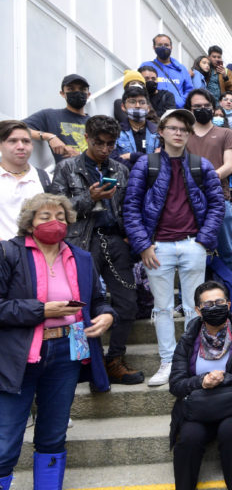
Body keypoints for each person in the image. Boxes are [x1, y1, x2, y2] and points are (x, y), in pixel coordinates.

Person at [0, 193, 114, 490]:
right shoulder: (8, 253)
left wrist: (106, 315)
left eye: (61, 217)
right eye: (46, 217)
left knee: (53, 435)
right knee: (4, 442)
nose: (55, 222)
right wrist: (41, 311)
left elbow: (98, 300)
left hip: (68, 352)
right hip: (18, 356)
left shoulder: (81, 258)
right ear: (30, 223)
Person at [123, 109, 225, 387]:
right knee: (163, 308)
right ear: (161, 131)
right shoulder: (146, 165)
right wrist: (144, 244)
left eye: (184, 129)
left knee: (195, 307)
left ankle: (191, 361)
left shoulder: (201, 165)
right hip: (158, 248)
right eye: (173, 128)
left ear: (189, 134)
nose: (179, 133)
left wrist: (203, 241)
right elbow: (130, 207)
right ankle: (168, 362)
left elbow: (217, 205)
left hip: (193, 244)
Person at [50, 114, 144, 385]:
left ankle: (114, 360)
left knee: (127, 302)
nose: (105, 149)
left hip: (115, 241)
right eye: (99, 143)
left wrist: (131, 238)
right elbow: (56, 209)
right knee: (80, 304)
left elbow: (130, 207)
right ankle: (86, 362)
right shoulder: (67, 168)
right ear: (87, 139)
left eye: (110, 144)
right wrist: (89, 198)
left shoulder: (120, 169)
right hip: (79, 243)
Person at [169, 281, 232, 490]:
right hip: (198, 407)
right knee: (189, 438)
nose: (215, 307)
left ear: (228, 305)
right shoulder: (187, 340)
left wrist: (225, 378)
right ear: (198, 310)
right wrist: (201, 381)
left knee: (231, 433)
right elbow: (175, 384)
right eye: (208, 304)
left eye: (219, 302)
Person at [184, 89, 232, 277]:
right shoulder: (183, 134)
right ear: (190, 109)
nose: (202, 109)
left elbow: (229, 165)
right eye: (197, 106)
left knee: (227, 252)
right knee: (190, 254)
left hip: (219, 198)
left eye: (206, 105)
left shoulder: (226, 133)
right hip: (188, 201)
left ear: (213, 107)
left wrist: (208, 176)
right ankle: (190, 295)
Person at [0, 121, 49, 241]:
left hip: (36, 250)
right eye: (13, 141)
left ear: (32, 145)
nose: (21, 146)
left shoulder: (47, 179)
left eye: (26, 141)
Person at [23, 74, 90, 162]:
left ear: (88, 94)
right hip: (65, 170)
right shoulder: (50, 116)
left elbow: (106, 157)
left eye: (82, 89)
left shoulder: (97, 123)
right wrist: (49, 136)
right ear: (62, 93)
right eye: (71, 89)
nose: (77, 92)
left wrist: (81, 155)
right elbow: (17, 128)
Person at [140, 34, 194, 108]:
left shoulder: (181, 69)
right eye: (159, 45)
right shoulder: (146, 66)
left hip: (176, 110)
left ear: (171, 47)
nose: (163, 47)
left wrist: (181, 102)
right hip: (153, 110)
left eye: (166, 45)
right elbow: (139, 86)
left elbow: (189, 90)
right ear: (154, 47)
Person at [114, 87, 161, 168]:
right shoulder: (116, 131)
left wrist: (130, 156)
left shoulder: (158, 132)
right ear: (123, 107)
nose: (137, 106)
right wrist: (137, 167)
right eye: (132, 102)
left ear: (148, 108)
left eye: (142, 102)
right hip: (126, 174)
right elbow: (112, 159)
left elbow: (162, 159)